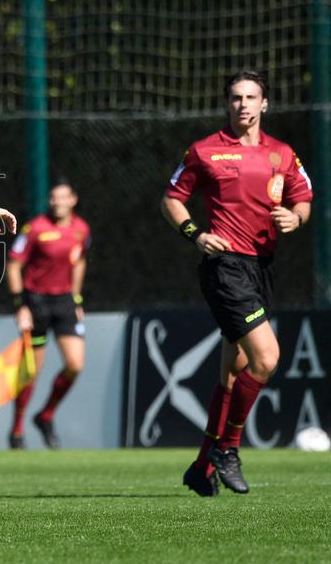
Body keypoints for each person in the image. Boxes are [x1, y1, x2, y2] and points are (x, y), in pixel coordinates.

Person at [161, 70, 312, 496]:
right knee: (266, 358)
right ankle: (227, 448)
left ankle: (200, 468)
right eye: (235, 97)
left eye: (251, 97)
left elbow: (303, 200)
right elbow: (171, 199)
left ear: (265, 104)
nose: (243, 104)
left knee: (233, 376)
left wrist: (295, 218)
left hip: (262, 268)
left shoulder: (283, 154)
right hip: (224, 267)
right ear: (227, 104)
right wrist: (196, 234)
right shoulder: (205, 151)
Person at [6, 178, 90, 450]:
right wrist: (21, 306)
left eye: (63, 197)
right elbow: (14, 266)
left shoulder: (81, 229)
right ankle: (17, 430)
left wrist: (77, 299)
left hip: (65, 302)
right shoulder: (35, 228)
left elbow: (79, 262)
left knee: (75, 364)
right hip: (36, 303)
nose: (58, 202)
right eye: (54, 198)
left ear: (73, 199)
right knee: (30, 371)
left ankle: (45, 415)